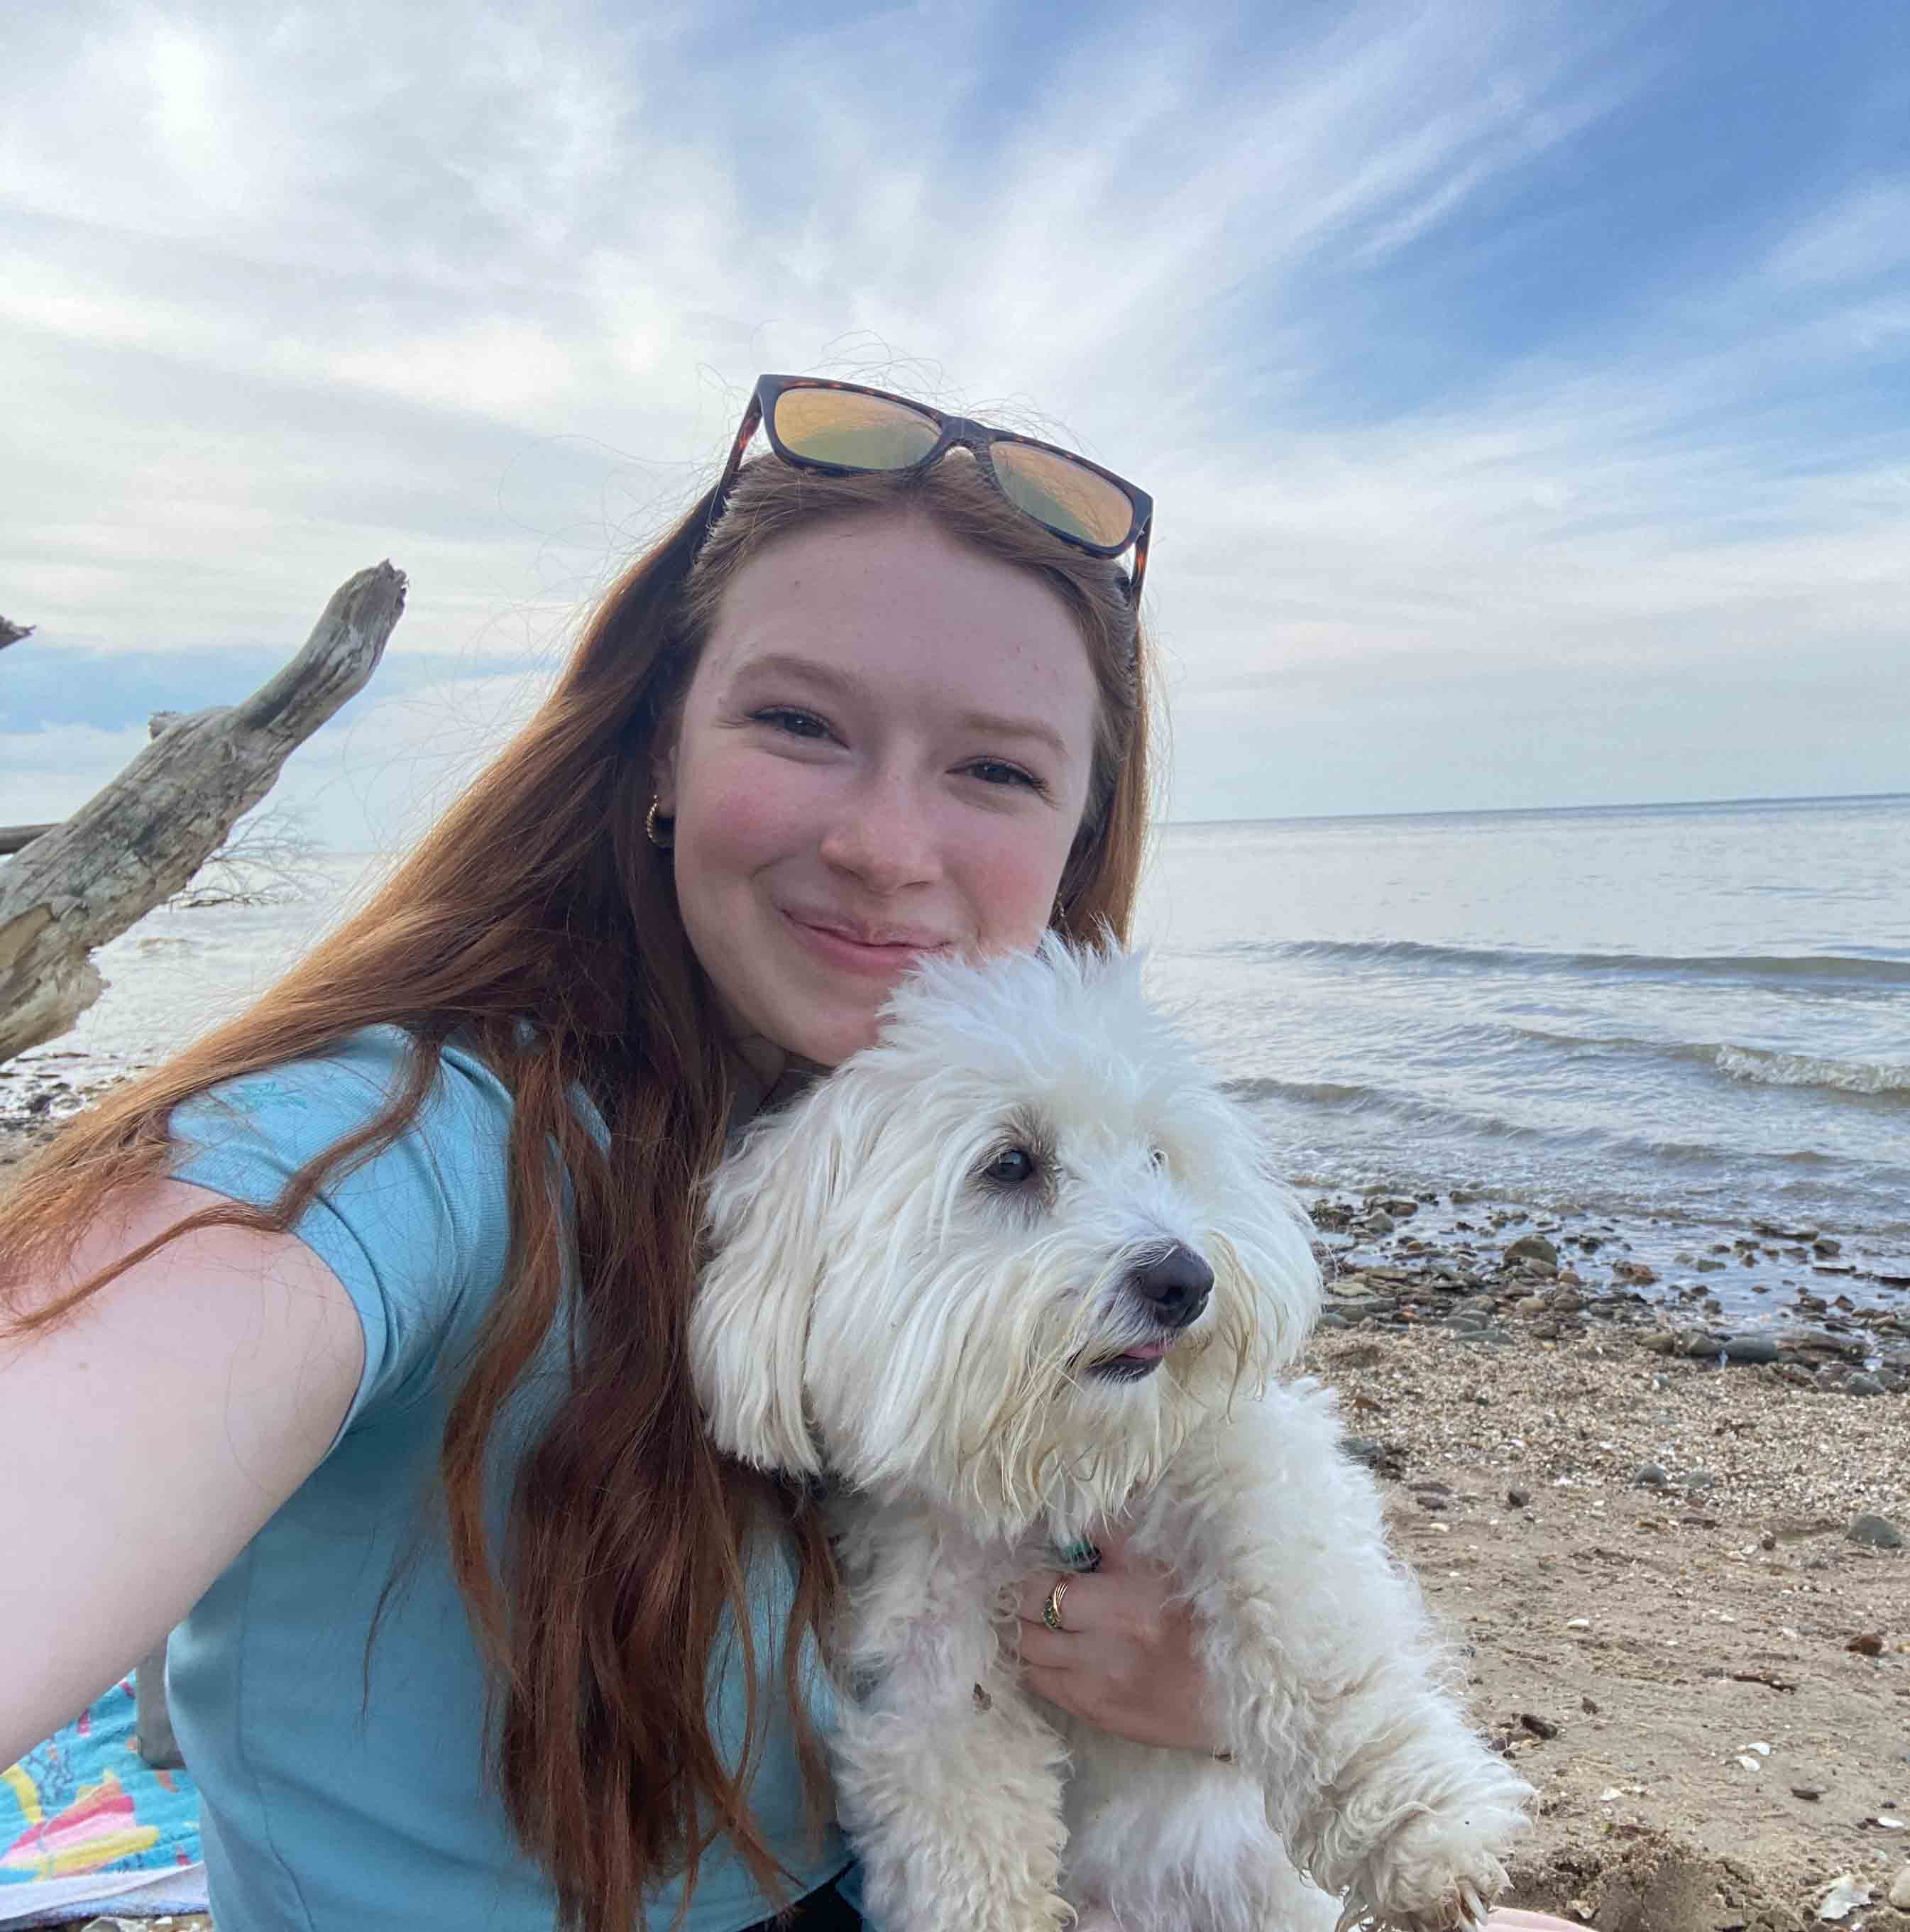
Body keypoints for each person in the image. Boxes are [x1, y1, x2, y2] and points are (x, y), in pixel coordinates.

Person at [1, 374, 1571, 1932]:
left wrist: (1221, 1695)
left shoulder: (909, 1124)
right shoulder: (399, 1140)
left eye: (995, 767)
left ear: (1081, 830)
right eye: (800, 721)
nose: (886, 846)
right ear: (659, 753)